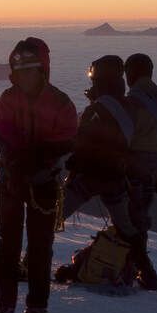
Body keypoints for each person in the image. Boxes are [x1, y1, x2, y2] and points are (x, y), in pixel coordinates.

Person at [0, 36, 77, 313]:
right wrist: (19, 160)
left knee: (40, 247)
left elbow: (66, 141)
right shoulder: (10, 99)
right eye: (20, 70)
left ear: (42, 70)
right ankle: (6, 306)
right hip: (16, 179)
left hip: (40, 181)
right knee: (9, 245)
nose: (25, 76)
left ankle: (36, 306)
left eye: (30, 69)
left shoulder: (59, 102)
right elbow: (0, 133)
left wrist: (35, 159)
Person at [58, 54, 143, 262]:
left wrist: (72, 163)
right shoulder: (129, 108)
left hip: (87, 179)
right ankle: (144, 271)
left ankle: (30, 264)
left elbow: (82, 143)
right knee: (126, 228)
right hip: (116, 178)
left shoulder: (96, 109)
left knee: (52, 217)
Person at [121, 52, 157, 290]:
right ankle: (136, 269)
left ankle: (138, 271)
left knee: (128, 219)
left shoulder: (129, 102)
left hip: (130, 165)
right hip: (154, 166)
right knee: (140, 217)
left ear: (130, 74)